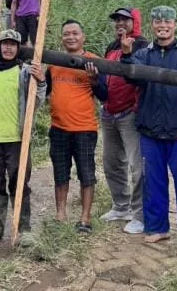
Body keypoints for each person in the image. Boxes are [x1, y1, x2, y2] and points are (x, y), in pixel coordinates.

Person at [121, 5, 177, 247]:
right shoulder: (143, 53)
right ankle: (158, 227)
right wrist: (126, 55)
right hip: (150, 131)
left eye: (167, 22)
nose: (163, 26)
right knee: (154, 182)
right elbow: (130, 76)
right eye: (158, 22)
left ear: (175, 25)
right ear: (152, 26)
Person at [0, 29, 46, 245]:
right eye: (4, 43)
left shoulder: (24, 71)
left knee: (19, 182)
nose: (8, 47)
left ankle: (24, 229)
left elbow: (37, 101)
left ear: (18, 47)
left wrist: (40, 82)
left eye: (13, 44)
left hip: (17, 139)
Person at [49, 20, 106, 233]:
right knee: (60, 172)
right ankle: (60, 214)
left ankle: (85, 218)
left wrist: (94, 81)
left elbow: (104, 95)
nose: (71, 37)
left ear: (83, 37)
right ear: (61, 38)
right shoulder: (54, 61)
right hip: (58, 128)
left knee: (86, 173)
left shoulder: (93, 62)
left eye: (75, 33)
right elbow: (44, 87)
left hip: (84, 129)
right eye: (66, 34)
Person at [100, 7, 149, 234]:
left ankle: (140, 214)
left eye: (125, 20)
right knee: (111, 162)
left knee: (137, 166)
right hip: (109, 111)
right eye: (117, 20)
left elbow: (138, 75)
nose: (120, 23)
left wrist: (128, 52)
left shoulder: (142, 45)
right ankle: (121, 206)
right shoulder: (112, 46)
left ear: (134, 22)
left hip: (131, 113)